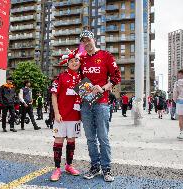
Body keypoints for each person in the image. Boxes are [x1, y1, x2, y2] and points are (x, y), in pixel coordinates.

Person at [80, 30, 121, 182]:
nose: (86, 43)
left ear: (94, 40)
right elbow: (75, 75)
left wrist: (103, 87)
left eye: (88, 39)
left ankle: (107, 168)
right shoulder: (82, 59)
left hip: (102, 103)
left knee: (103, 137)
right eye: (83, 41)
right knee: (90, 138)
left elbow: (116, 77)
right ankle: (94, 166)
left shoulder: (106, 56)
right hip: (86, 104)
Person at [50, 50, 82, 181]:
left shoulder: (82, 78)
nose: (75, 62)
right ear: (67, 63)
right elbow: (54, 95)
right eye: (72, 60)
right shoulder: (61, 77)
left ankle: (69, 165)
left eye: (77, 60)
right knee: (58, 142)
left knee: (71, 142)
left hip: (75, 116)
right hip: (61, 117)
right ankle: (57, 168)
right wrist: (56, 113)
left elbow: (86, 97)